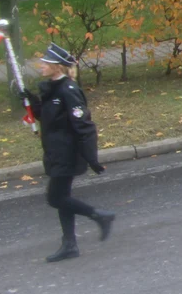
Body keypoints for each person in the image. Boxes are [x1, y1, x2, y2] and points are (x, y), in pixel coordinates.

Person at [24, 43, 115, 263]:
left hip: (67, 153)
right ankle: (70, 244)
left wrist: (91, 157)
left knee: (55, 198)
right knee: (62, 197)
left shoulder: (69, 90)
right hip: (55, 152)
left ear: (58, 67)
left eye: (46, 63)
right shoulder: (52, 89)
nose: (42, 66)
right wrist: (31, 102)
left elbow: (84, 125)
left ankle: (99, 216)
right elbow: (48, 118)